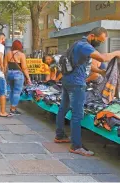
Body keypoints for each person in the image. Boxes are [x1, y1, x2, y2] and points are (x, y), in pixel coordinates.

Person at [55, 27, 120, 156]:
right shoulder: (85, 46)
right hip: (76, 83)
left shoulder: (77, 44)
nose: (99, 44)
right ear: (91, 36)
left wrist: (101, 72)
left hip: (68, 80)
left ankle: (60, 135)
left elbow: (82, 65)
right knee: (77, 115)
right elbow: (102, 58)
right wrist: (116, 53)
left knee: (63, 108)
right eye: (99, 41)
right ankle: (76, 146)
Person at [4, 40, 31, 115]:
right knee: (17, 92)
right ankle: (13, 109)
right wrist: (28, 78)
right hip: (18, 74)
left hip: (9, 73)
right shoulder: (21, 55)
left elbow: (5, 66)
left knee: (12, 90)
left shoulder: (8, 53)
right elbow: (24, 68)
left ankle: (12, 107)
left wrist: (4, 75)